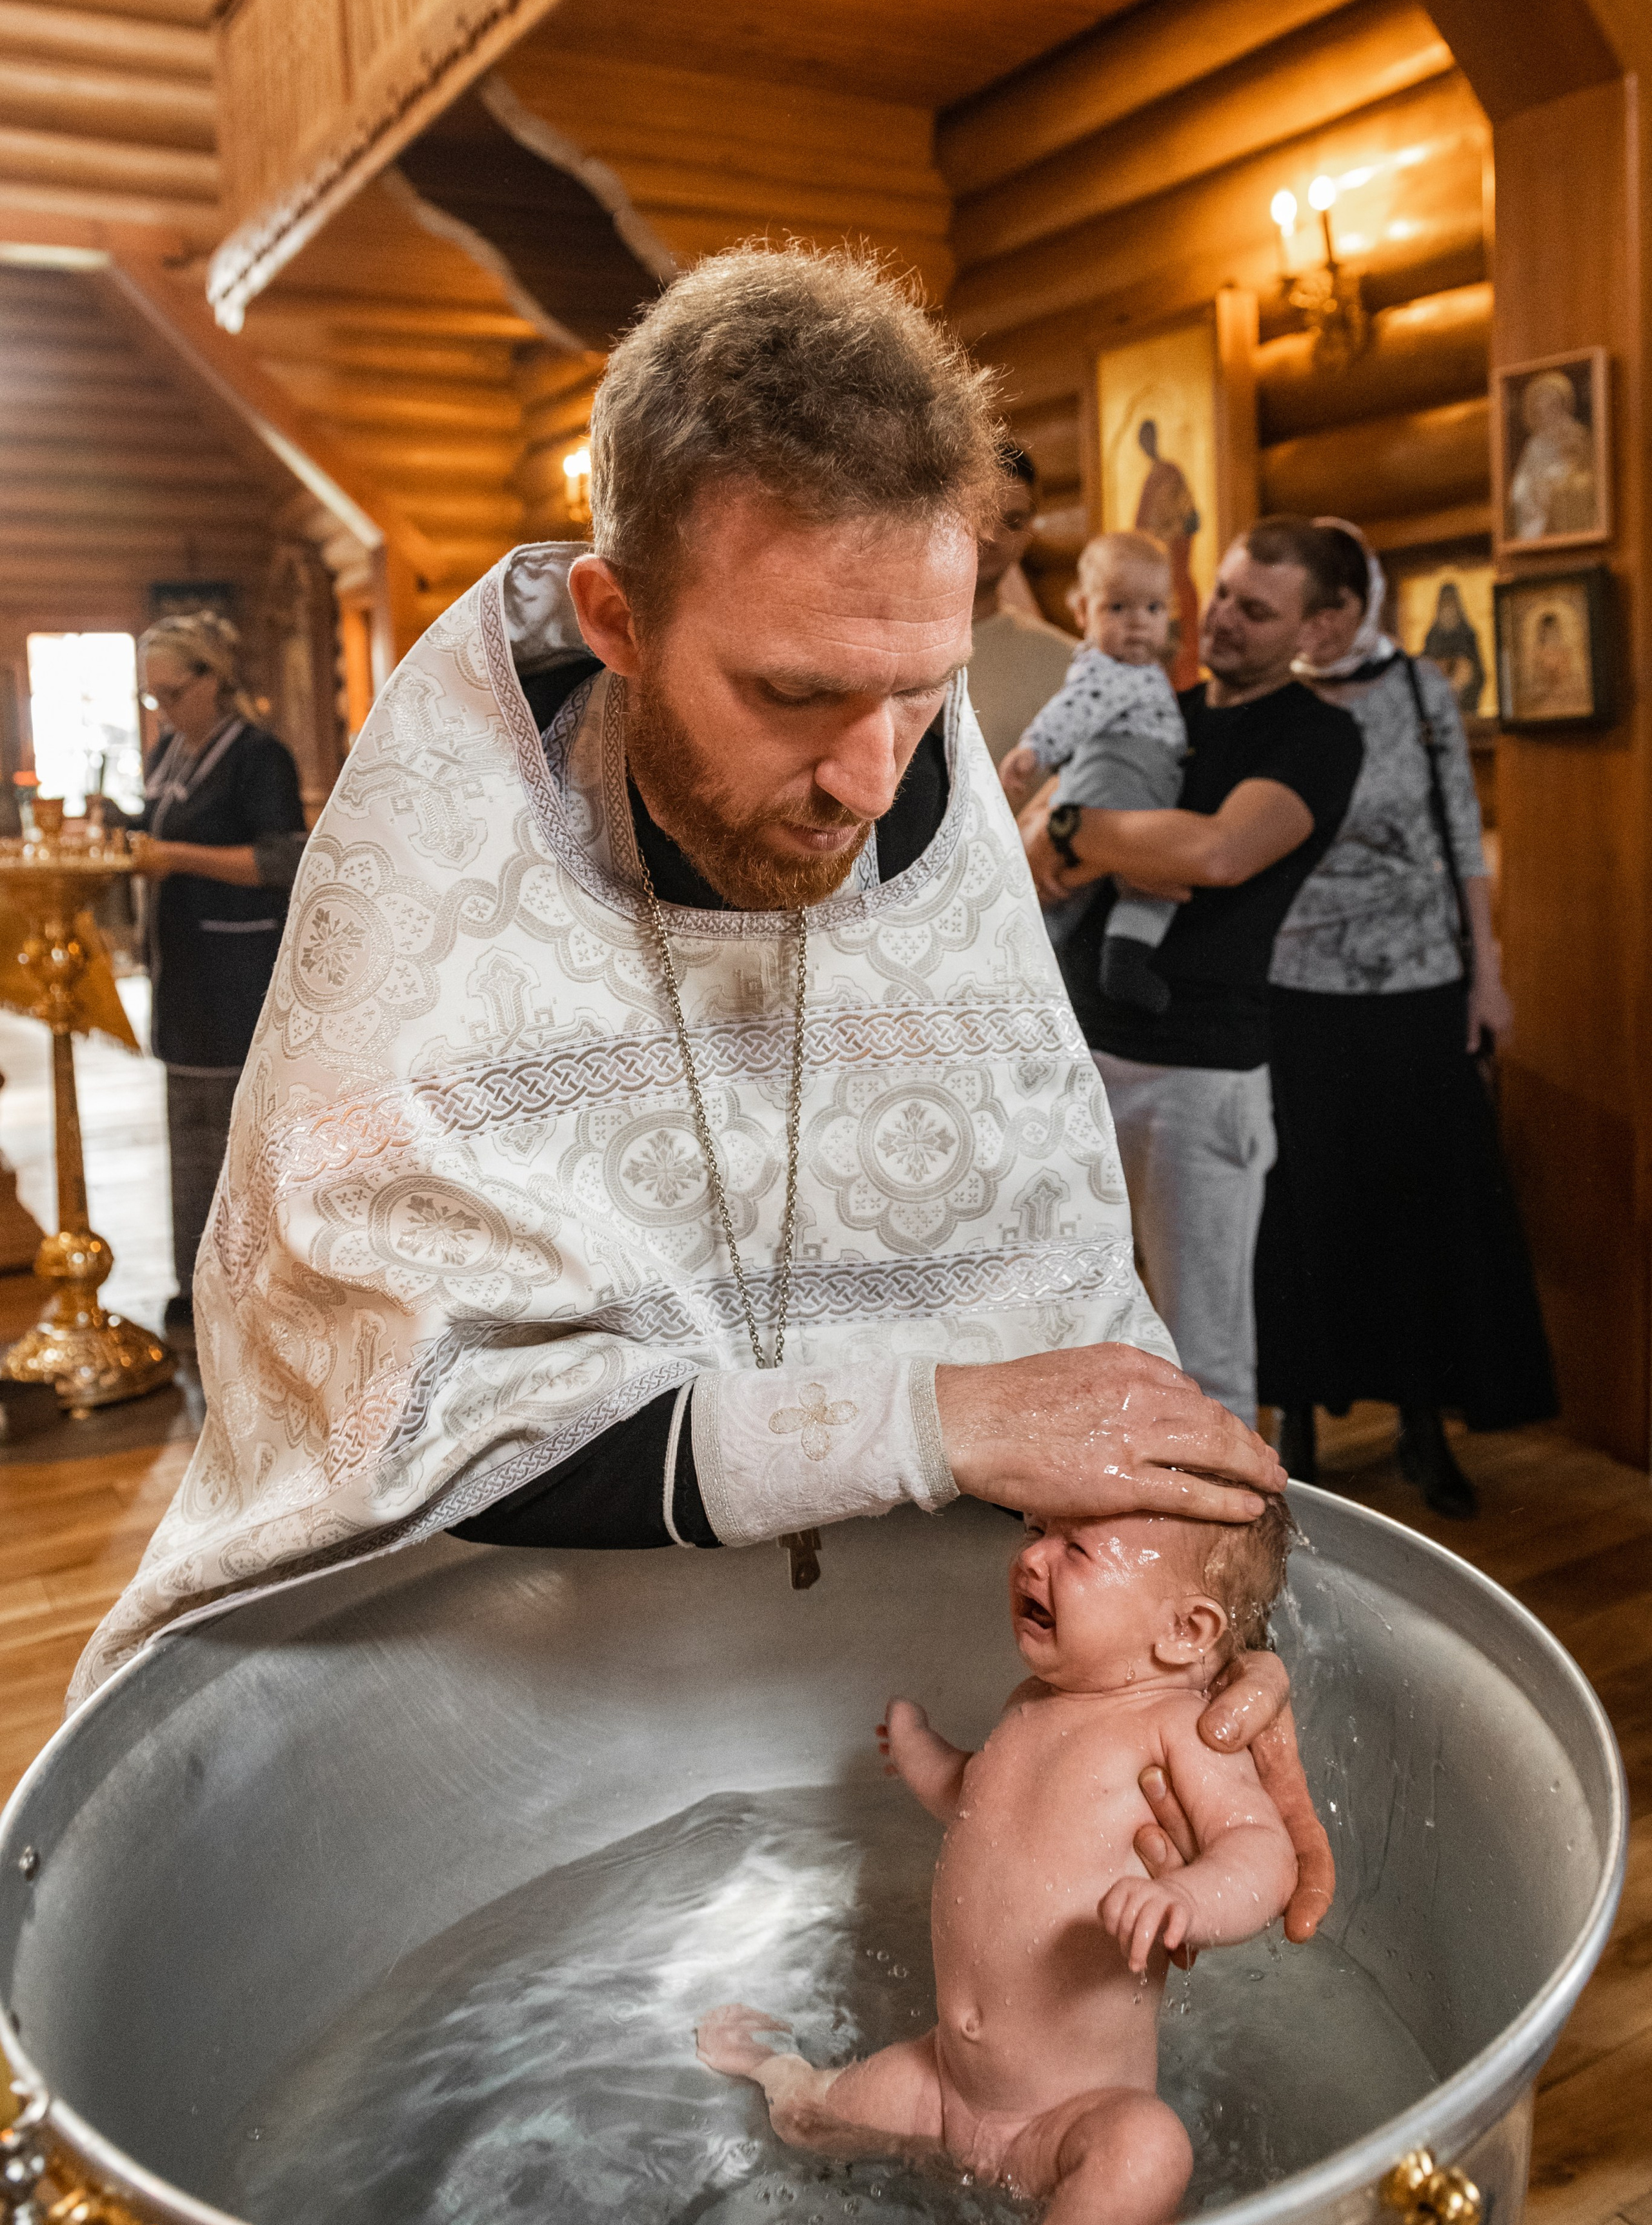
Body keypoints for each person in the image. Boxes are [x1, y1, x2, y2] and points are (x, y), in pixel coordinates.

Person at [72, 249, 1331, 1955]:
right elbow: (389, 1411)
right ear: (618, 620)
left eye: (919, 691)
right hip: (482, 1739)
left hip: (893, 1731)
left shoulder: (910, 774)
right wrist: (924, 1419)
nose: (866, 786)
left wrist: (1214, 1628)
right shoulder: (449, 862)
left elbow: (1043, 1268)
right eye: (796, 694)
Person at [696, 1494, 1296, 2225]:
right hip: (944, 2080)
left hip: (1065, 2116)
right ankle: (783, 2073)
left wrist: (1186, 1898)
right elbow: (980, 1805)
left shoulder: (1181, 1728)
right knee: (807, 2120)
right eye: (1038, 1531)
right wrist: (927, 1761)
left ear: (1186, 1631)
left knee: (1148, 2150)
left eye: (1076, 1552)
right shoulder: (1030, 1706)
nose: (1032, 1558)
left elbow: (1263, 1854)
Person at [1023, 518, 1364, 1432]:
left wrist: (1077, 832)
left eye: (1257, 610)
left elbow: (1215, 855)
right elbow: (1027, 848)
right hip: (1081, 1050)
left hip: (1198, 1079)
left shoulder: (1318, 738)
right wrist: (1086, 837)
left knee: (1203, 1356)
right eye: (1220, 594)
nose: (1221, 620)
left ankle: (1234, 1569)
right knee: (1074, 1332)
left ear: (1318, 630)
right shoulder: (1157, 707)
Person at [1256, 520, 1556, 1516]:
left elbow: (1460, 839)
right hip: (1293, 992)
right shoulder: (1264, 695)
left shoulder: (1424, 692)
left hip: (1420, 991)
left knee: (1421, 1206)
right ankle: (1298, 1419)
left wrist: (1489, 976)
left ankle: (1426, 1425)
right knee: (1305, 1208)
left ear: (1343, 612)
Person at [125, 613, 306, 1335]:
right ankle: (193, 1282)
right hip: (182, 968)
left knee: (237, 1134)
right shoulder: (169, 752)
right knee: (187, 1135)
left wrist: (175, 859)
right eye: (152, 700)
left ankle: (251, 1290)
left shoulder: (258, 757)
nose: (162, 711)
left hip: (237, 967)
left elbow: (283, 860)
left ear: (211, 680)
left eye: (171, 694)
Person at [999, 530, 1187, 1014]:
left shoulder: (1137, 668)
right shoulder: (1107, 669)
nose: (1138, 625)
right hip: (1118, 783)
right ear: (1082, 611)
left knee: (1095, 886)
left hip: (1135, 784)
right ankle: (1105, 964)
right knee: (1128, 882)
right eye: (1118, 609)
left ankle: (1101, 963)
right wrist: (1034, 750)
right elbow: (1073, 711)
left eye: (1153, 609)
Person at [964, 442, 1076, 765]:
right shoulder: (894, 644)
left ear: (1029, 532)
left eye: (1012, 523)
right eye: (981, 515)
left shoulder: (1067, 663)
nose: (992, 536)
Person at [1133, 418, 1201, 692]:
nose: (1147, 445)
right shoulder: (1151, 478)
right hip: (1156, 577)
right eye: (1142, 441)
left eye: (1149, 439)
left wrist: (1168, 532)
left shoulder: (1170, 473)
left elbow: (1192, 519)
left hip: (1173, 572)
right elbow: (1141, 528)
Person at [1507, 369, 1597, 542]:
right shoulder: (1535, 443)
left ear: (1562, 405)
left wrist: (1557, 483)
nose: (1547, 415)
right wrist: (1531, 492)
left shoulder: (1576, 435)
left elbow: (1585, 472)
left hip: (1569, 501)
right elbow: (1521, 484)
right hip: (1540, 508)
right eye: (1541, 410)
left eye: (1552, 407)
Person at [1420, 580, 1485, 716]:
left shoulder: (1468, 635)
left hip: (1465, 706)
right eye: (1445, 604)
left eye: (1451, 604)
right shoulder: (1432, 637)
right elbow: (1423, 674)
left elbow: (1480, 675)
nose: (1448, 610)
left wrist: (1463, 679)